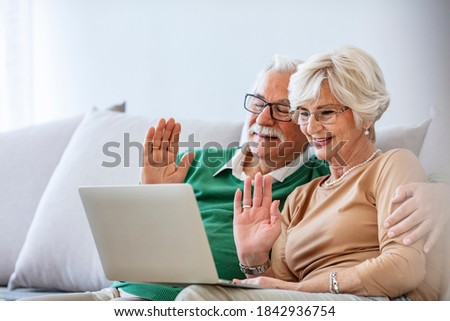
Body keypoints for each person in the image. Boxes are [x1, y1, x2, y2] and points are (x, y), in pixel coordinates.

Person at [21, 53, 447, 301]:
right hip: (120, 294)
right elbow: (266, 277)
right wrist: (154, 196)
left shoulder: (327, 173)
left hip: (192, 302)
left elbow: (403, 244)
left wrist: (443, 193)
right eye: (258, 103)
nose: (265, 118)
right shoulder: (297, 192)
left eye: (284, 110)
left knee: (195, 297)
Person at [175, 46, 444, 301]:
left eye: (325, 113)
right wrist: (254, 259)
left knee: (197, 298)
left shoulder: (391, 165)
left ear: (366, 115)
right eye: (303, 113)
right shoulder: (301, 197)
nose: (311, 127)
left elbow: (404, 268)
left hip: (376, 301)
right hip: (315, 303)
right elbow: (278, 289)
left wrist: (306, 288)